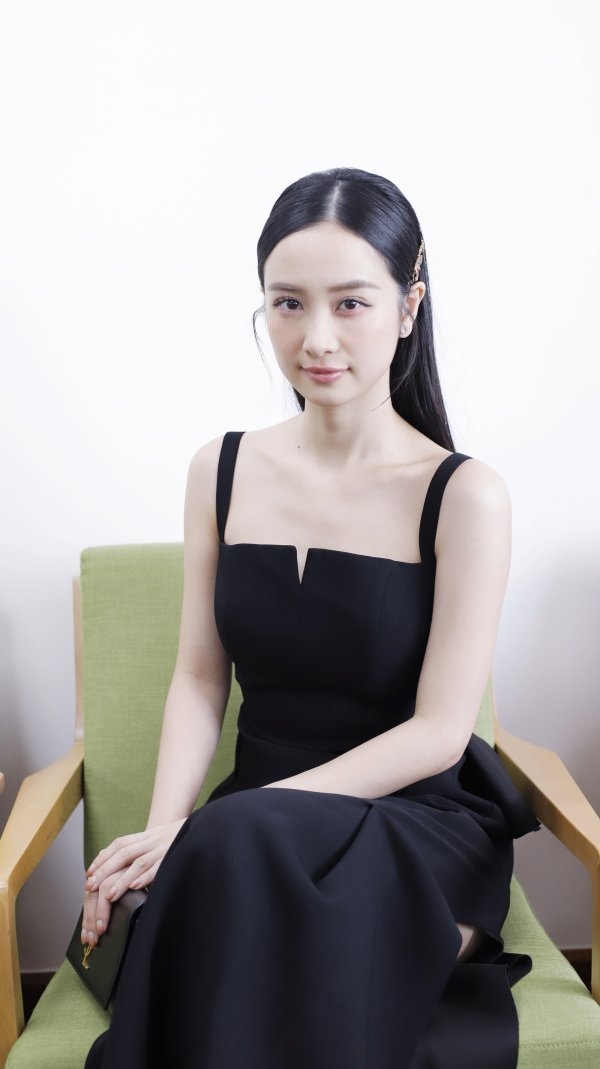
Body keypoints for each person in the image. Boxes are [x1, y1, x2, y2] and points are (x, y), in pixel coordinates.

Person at [82, 167, 538, 1069]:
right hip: (251, 827)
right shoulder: (219, 469)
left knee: (248, 907)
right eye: (288, 303)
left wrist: (224, 824)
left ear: (408, 307)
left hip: (415, 823)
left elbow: (440, 732)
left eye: (351, 303)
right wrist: (169, 826)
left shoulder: (465, 494)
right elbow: (199, 677)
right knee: (235, 905)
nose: (316, 337)